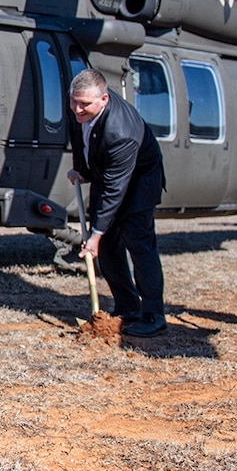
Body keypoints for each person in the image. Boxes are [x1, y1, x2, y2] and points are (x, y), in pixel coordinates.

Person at [67, 68, 167, 337]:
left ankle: (153, 314)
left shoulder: (120, 131)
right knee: (109, 248)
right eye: (74, 102)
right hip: (108, 176)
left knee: (138, 241)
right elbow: (81, 139)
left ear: (104, 99)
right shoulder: (80, 108)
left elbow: (115, 187)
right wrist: (82, 170)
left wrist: (95, 235)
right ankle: (128, 307)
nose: (77, 109)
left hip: (139, 182)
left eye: (84, 104)